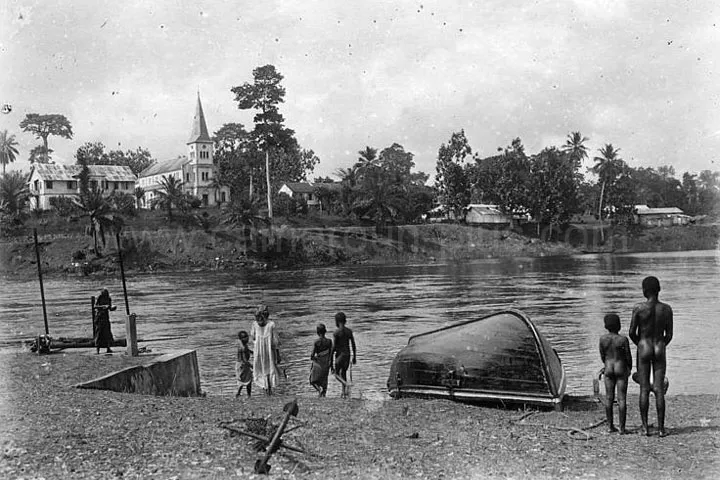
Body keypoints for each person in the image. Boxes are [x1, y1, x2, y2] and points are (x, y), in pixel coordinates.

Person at [629, 276, 673, 437]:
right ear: (659, 289)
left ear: (644, 291)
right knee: (659, 389)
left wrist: (640, 344)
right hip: (659, 347)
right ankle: (661, 429)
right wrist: (661, 345)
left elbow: (631, 332)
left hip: (644, 347)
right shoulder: (666, 309)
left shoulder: (638, 308)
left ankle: (645, 427)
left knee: (644, 388)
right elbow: (669, 334)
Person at [598, 313, 632, 434]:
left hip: (608, 368)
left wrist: (606, 365)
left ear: (606, 326)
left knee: (609, 398)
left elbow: (602, 355)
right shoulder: (623, 339)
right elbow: (628, 356)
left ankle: (610, 426)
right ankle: (622, 429)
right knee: (621, 399)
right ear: (619, 325)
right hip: (620, 368)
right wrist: (629, 368)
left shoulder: (603, 339)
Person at [250, 304, 281, 396]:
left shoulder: (255, 324)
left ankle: (265, 387)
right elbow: (275, 341)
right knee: (270, 367)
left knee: (261, 367)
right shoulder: (271, 324)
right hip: (269, 350)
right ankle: (269, 388)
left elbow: (253, 337)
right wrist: (278, 354)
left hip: (259, 350)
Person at [330, 312, 356, 398]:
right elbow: (353, 345)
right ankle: (343, 392)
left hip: (339, 355)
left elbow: (333, 347)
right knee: (344, 373)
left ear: (336, 322)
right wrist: (354, 357)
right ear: (345, 321)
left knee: (336, 374)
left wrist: (330, 361)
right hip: (347, 355)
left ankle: (345, 384)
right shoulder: (349, 331)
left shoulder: (336, 333)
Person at [309, 323, 332, 397]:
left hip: (319, 363)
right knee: (324, 381)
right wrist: (331, 364)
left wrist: (315, 358)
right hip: (326, 363)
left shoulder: (316, 342)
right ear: (325, 331)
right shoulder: (329, 341)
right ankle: (323, 395)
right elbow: (331, 354)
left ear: (317, 332)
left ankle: (319, 390)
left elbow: (312, 355)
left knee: (312, 380)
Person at [93, 288, 117, 354]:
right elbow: (95, 306)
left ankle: (108, 348)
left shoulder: (109, 298)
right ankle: (97, 350)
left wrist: (112, 308)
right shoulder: (99, 297)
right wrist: (103, 306)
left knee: (107, 333)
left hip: (106, 317)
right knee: (99, 333)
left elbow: (109, 307)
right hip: (99, 317)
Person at [235, 330, 253, 398]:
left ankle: (239, 393)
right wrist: (251, 366)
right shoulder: (243, 347)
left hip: (240, 365)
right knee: (248, 380)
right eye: (244, 337)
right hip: (243, 365)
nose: (246, 338)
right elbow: (244, 359)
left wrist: (252, 352)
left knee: (242, 381)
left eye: (247, 337)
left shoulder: (243, 345)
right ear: (240, 339)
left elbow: (247, 350)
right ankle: (248, 395)